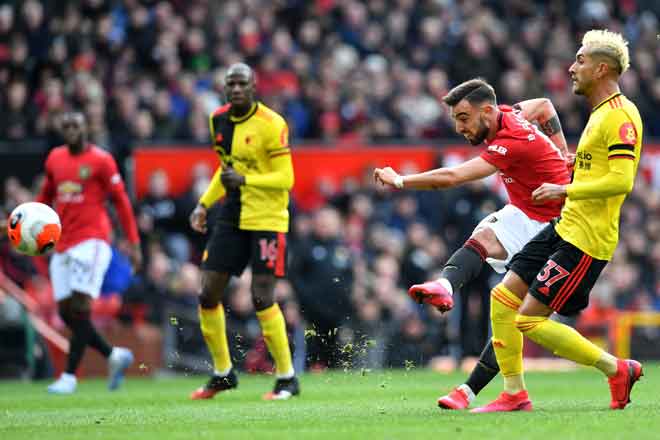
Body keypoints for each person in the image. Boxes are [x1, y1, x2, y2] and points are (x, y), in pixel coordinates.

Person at [468, 29, 644, 412]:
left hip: (587, 239)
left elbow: (622, 180)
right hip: (565, 226)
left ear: (601, 68)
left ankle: (617, 368)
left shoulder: (620, 117)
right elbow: (598, 168)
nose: (571, 67)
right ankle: (514, 394)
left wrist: (564, 190)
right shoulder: (600, 114)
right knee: (502, 299)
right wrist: (573, 168)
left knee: (529, 320)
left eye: (580, 60)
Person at [374, 78, 571, 409]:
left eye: (463, 117)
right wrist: (562, 150)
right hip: (526, 213)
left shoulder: (511, 142)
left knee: (515, 313)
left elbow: (452, 178)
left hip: (557, 228)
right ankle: (445, 286)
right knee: (483, 237)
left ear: (487, 111)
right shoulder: (510, 113)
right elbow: (545, 106)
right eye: (455, 118)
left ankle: (613, 368)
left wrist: (401, 180)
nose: (458, 126)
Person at [189, 63, 299, 400]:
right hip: (232, 215)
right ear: (225, 89)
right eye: (231, 84)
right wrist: (204, 204)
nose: (236, 89)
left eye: (242, 84)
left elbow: (287, 178)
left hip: (267, 217)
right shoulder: (217, 120)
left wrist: (247, 180)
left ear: (254, 87)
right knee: (208, 292)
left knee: (261, 296)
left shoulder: (272, 124)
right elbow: (225, 172)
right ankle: (223, 373)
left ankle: (286, 378)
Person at [37, 111, 142, 394]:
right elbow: (44, 199)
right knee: (68, 312)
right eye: (66, 125)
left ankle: (69, 377)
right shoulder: (54, 159)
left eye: (76, 125)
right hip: (63, 241)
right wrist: (27, 224)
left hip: (92, 241)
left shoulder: (101, 160)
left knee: (82, 307)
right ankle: (114, 356)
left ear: (86, 129)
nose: (71, 129)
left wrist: (134, 243)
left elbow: (121, 202)